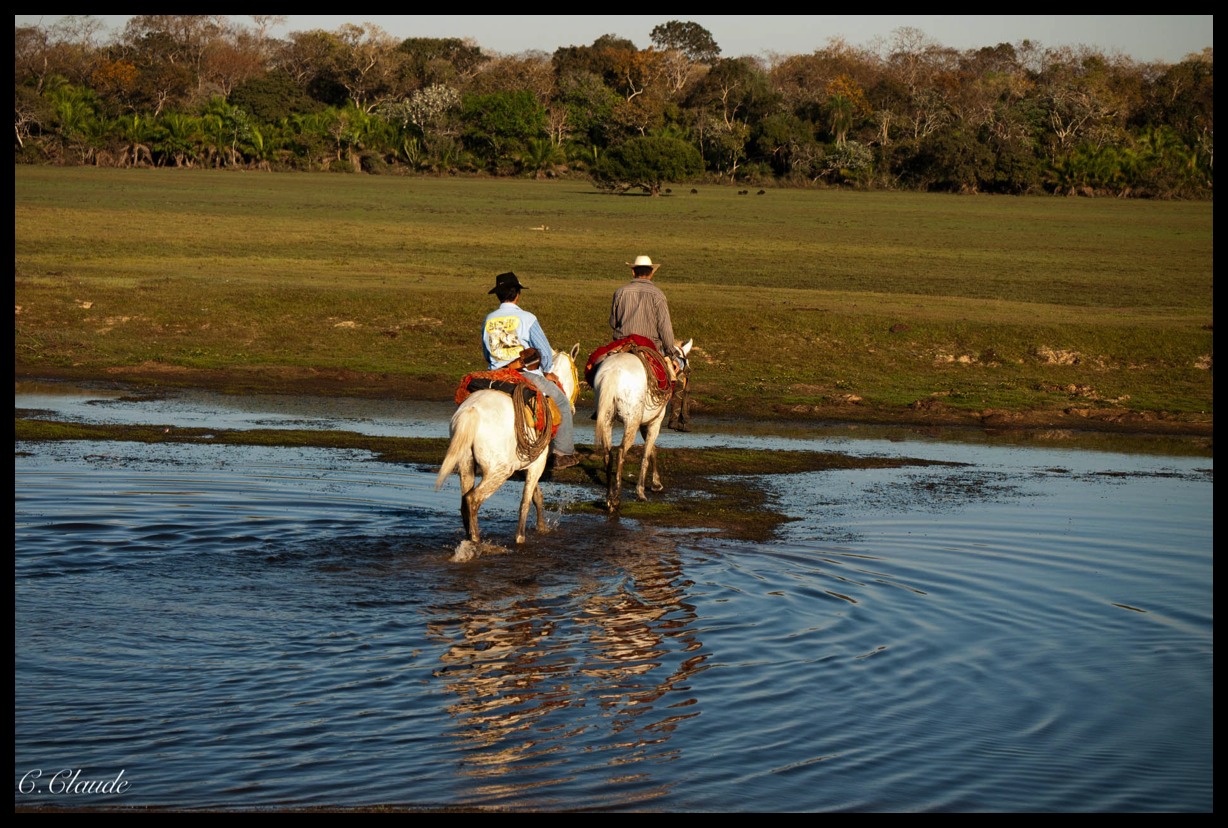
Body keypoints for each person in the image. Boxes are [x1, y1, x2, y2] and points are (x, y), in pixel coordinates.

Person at [481, 271, 578, 469]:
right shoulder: (527, 318)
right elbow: (544, 352)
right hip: (523, 374)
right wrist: (547, 370)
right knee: (561, 401)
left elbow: (486, 350)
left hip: (495, 373)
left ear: (499, 295)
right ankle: (562, 453)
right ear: (517, 293)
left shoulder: (488, 319)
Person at [610, 255, 677, 359]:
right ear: (651, 273)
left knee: (596, 362)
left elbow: (613, 323)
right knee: (670, 373)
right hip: (649, 347)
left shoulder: (620, 292)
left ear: (633, 272)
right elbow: (665, 328)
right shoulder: (658, 295)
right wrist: (671, 353)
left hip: (622, 344)